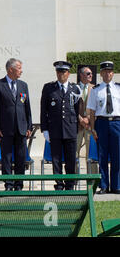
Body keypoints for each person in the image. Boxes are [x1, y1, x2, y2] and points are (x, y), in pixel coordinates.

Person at [0, 58, 32, 191]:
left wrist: (29, 126)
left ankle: (19, 184)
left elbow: (27, 107)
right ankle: (8, 184)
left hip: (21, 128)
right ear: (10, 69)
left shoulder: (23, 85)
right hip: (5, 128)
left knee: (21, 157)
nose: (21, 71)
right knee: (7, 157)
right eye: (19, 68)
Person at [40, 61, 81, 190]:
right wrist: (45, 129)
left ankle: (70, 183)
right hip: (55, 129)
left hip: (70, 129)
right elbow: (43, 110)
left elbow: (77, 110)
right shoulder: (48, 88)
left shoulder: (75, 89)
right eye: (58, 72)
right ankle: (58, 183)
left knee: (70, 159)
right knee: (56, 159)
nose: (60, 74)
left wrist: (77, 128)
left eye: (63, 72)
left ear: (68, 74)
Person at [87, 61, 120, 194]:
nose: (108, 74)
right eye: (105, 72)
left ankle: (117, 186)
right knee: (102, 156)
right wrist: (93, 129)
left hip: (117, 123)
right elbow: (92, 112)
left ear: (113, 73)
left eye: (110, 71)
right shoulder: (95, 90)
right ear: (101, 74)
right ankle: (104, 186)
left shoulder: (118, 88)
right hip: (101, 123)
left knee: (117, 155)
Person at [76, 66, 95, 171]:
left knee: (91, 155)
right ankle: (73, 180)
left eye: (91, 73)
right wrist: (80, 119)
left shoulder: (95, 88)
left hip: (90, 126)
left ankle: (92, 181)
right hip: (76, 126)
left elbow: (97, 107)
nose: (91, 75)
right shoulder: (74, 88)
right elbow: (71, 107)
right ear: (81, 75)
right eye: (88, 73)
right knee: (74, 154)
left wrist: (88, 118)